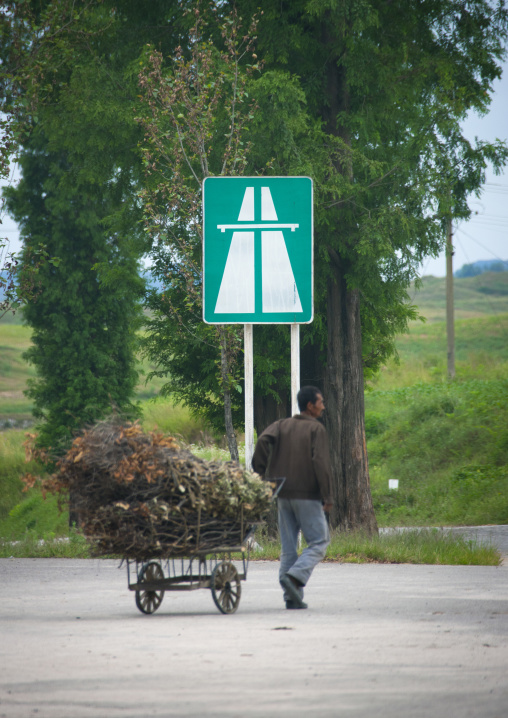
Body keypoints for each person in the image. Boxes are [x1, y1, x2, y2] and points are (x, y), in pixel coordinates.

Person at [252, 386, 333, 609]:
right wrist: (327, 495)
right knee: (319, 542)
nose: (323, 406)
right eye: (321, 402)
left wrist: (259, 474)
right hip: (306, 495)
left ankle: (291, 597)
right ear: (310, 405)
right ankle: (295, 576)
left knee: (288, 548)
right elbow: (321, 463)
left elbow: (262, 441)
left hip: (282, 493)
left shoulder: (281, 425)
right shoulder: (316, 429)